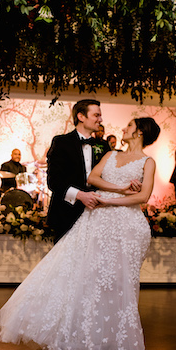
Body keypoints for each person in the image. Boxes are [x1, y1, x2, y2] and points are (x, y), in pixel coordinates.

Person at [0, 117, 160, 350]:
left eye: (129, 126)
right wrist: (121, 187)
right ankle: (82, 336)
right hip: (97, 220)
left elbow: (144, 196)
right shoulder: (110, 154)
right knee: (86, 275)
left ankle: (112, 338)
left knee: (118, 282)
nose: (123, 128)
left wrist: (109, 201)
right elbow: (92, 179)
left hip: (127, 226)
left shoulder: (148, 162)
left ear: (140, 133)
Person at [45, 99, 111, 242]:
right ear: (81, 117)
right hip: (66, 212)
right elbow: (53, 181)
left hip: (96, 213)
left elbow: (109, 177)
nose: (101, 119)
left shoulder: (104, 146)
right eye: (96, 115)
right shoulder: (61, 142)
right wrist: (80, 195)